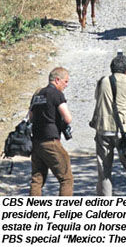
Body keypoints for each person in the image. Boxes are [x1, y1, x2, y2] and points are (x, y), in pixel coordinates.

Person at [89, 52, 126, 196]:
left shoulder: (102, 81)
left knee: (104, 172)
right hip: (124, 133)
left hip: (103, 130)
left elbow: (97, 97)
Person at [28, 67, 73, 196]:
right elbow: (68, 118)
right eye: (65, 81)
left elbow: (30, 117)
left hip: (36, 142)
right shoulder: (56, 94)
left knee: (37, 180)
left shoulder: (37, 94)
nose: (66, 85)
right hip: (51, 142)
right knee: (66, 179)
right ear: (57, 80)